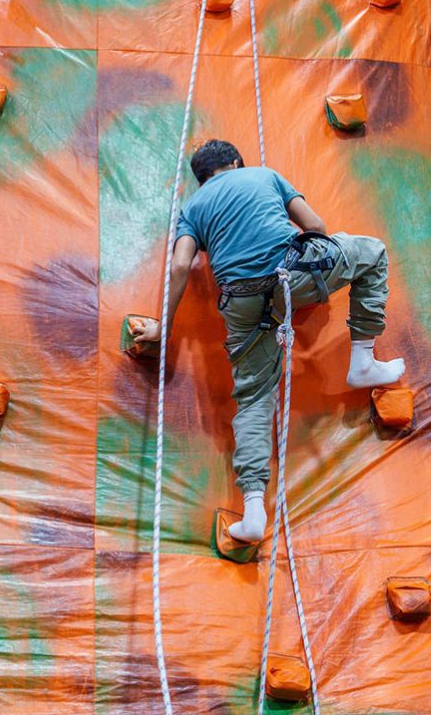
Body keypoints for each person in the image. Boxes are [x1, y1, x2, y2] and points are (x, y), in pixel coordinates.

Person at [134, 139, 405, 543]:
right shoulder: (262, 174)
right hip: (292, 275)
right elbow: (315, 227)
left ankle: (254, 510)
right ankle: (362, 360)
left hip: (240, 301)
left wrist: (163, 328)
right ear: (236, 162)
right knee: (373, 252)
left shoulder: (192, 208)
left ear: (202, 178)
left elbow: (180, 265)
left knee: (255, 398)